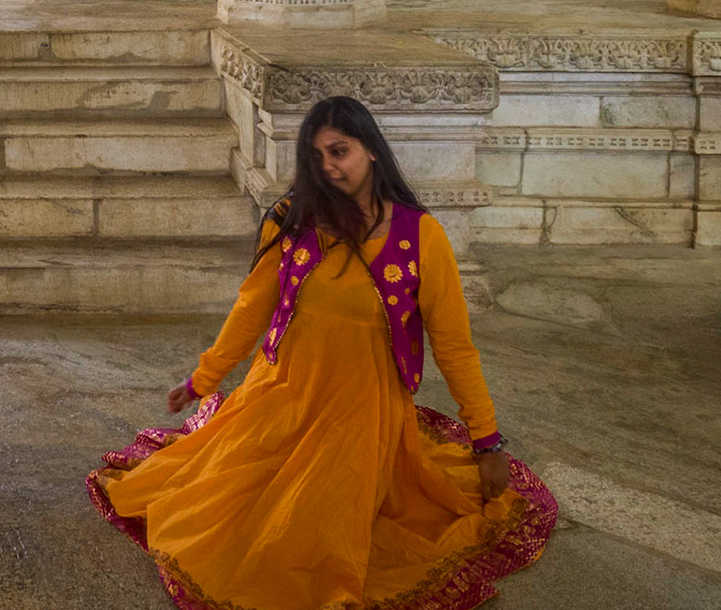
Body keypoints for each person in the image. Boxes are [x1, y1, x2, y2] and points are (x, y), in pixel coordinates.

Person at [87, 96, 557, 610]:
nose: (328, 167)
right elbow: (252, 309)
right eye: (316, 156)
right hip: (281, 393)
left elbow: (454, 346)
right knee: (218, 513)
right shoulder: (291, 221)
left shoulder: (420, 238)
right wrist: (204, 378)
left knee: (317, 534)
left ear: (371, 149)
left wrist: (487, 442)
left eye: (339, 151)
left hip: (362, 412)